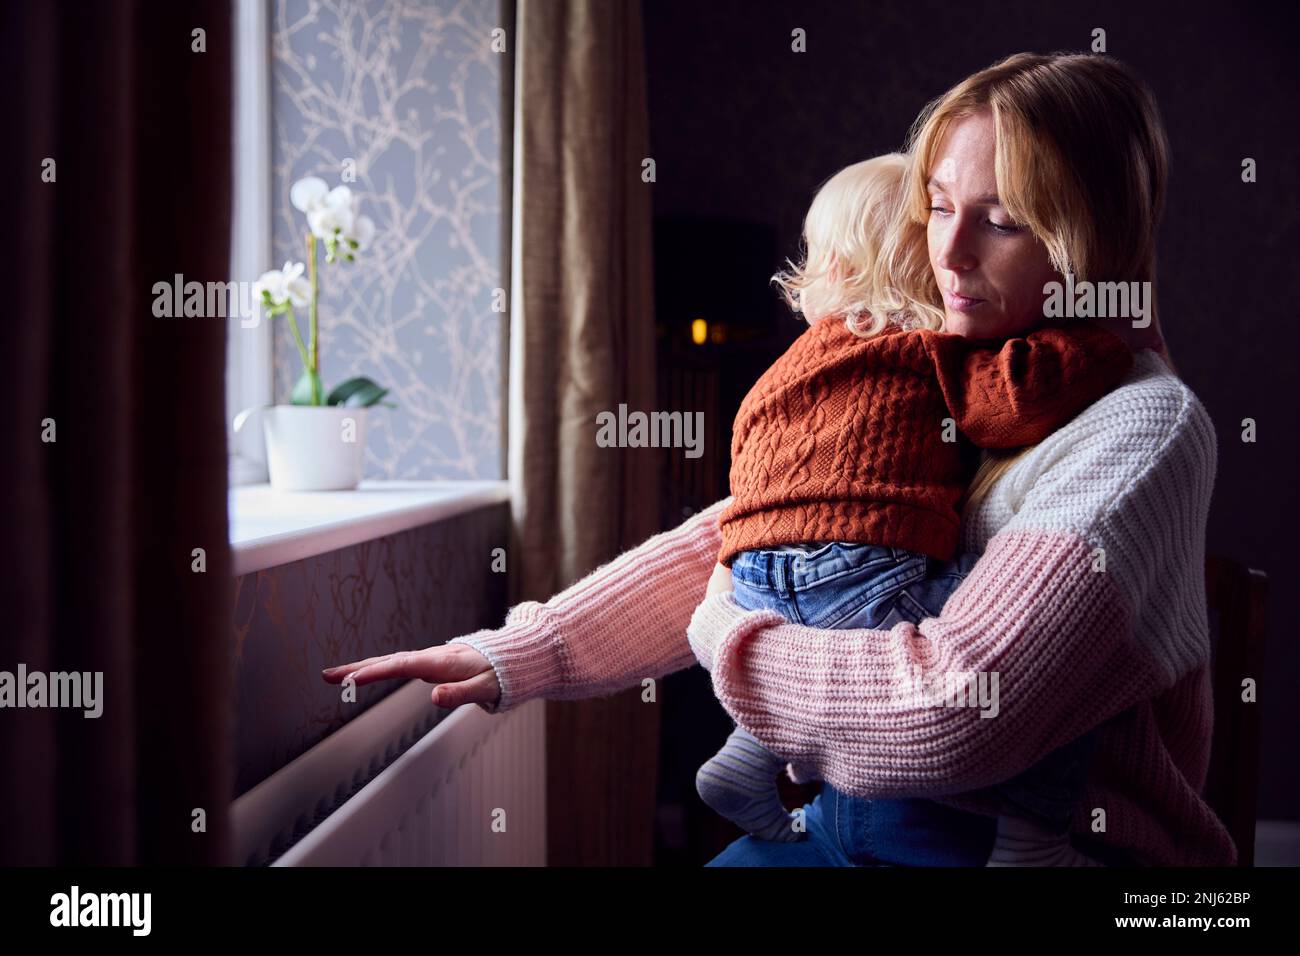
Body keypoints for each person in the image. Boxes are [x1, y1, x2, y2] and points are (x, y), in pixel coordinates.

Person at [322, 52, 1235, 867]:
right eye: (938, 208)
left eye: (1002, 222)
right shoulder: (949, 367)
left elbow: (952, 713)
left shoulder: (1141, 428)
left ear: (1090, 241)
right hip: (851, 825)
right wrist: (518, 652)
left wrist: (729, 638)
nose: (946, 253)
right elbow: (763, 534)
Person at [694, 151, 1128, 867]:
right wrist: (1096, 342)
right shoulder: (923, 349)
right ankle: (1034, 836)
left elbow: (749, 473)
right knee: (1058, 660)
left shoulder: (786, 367)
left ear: (829, 267)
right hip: (858, 568)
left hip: (750, 576)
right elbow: (1015, 400)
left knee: (814, 635)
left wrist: (734, 573)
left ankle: (746, 758)